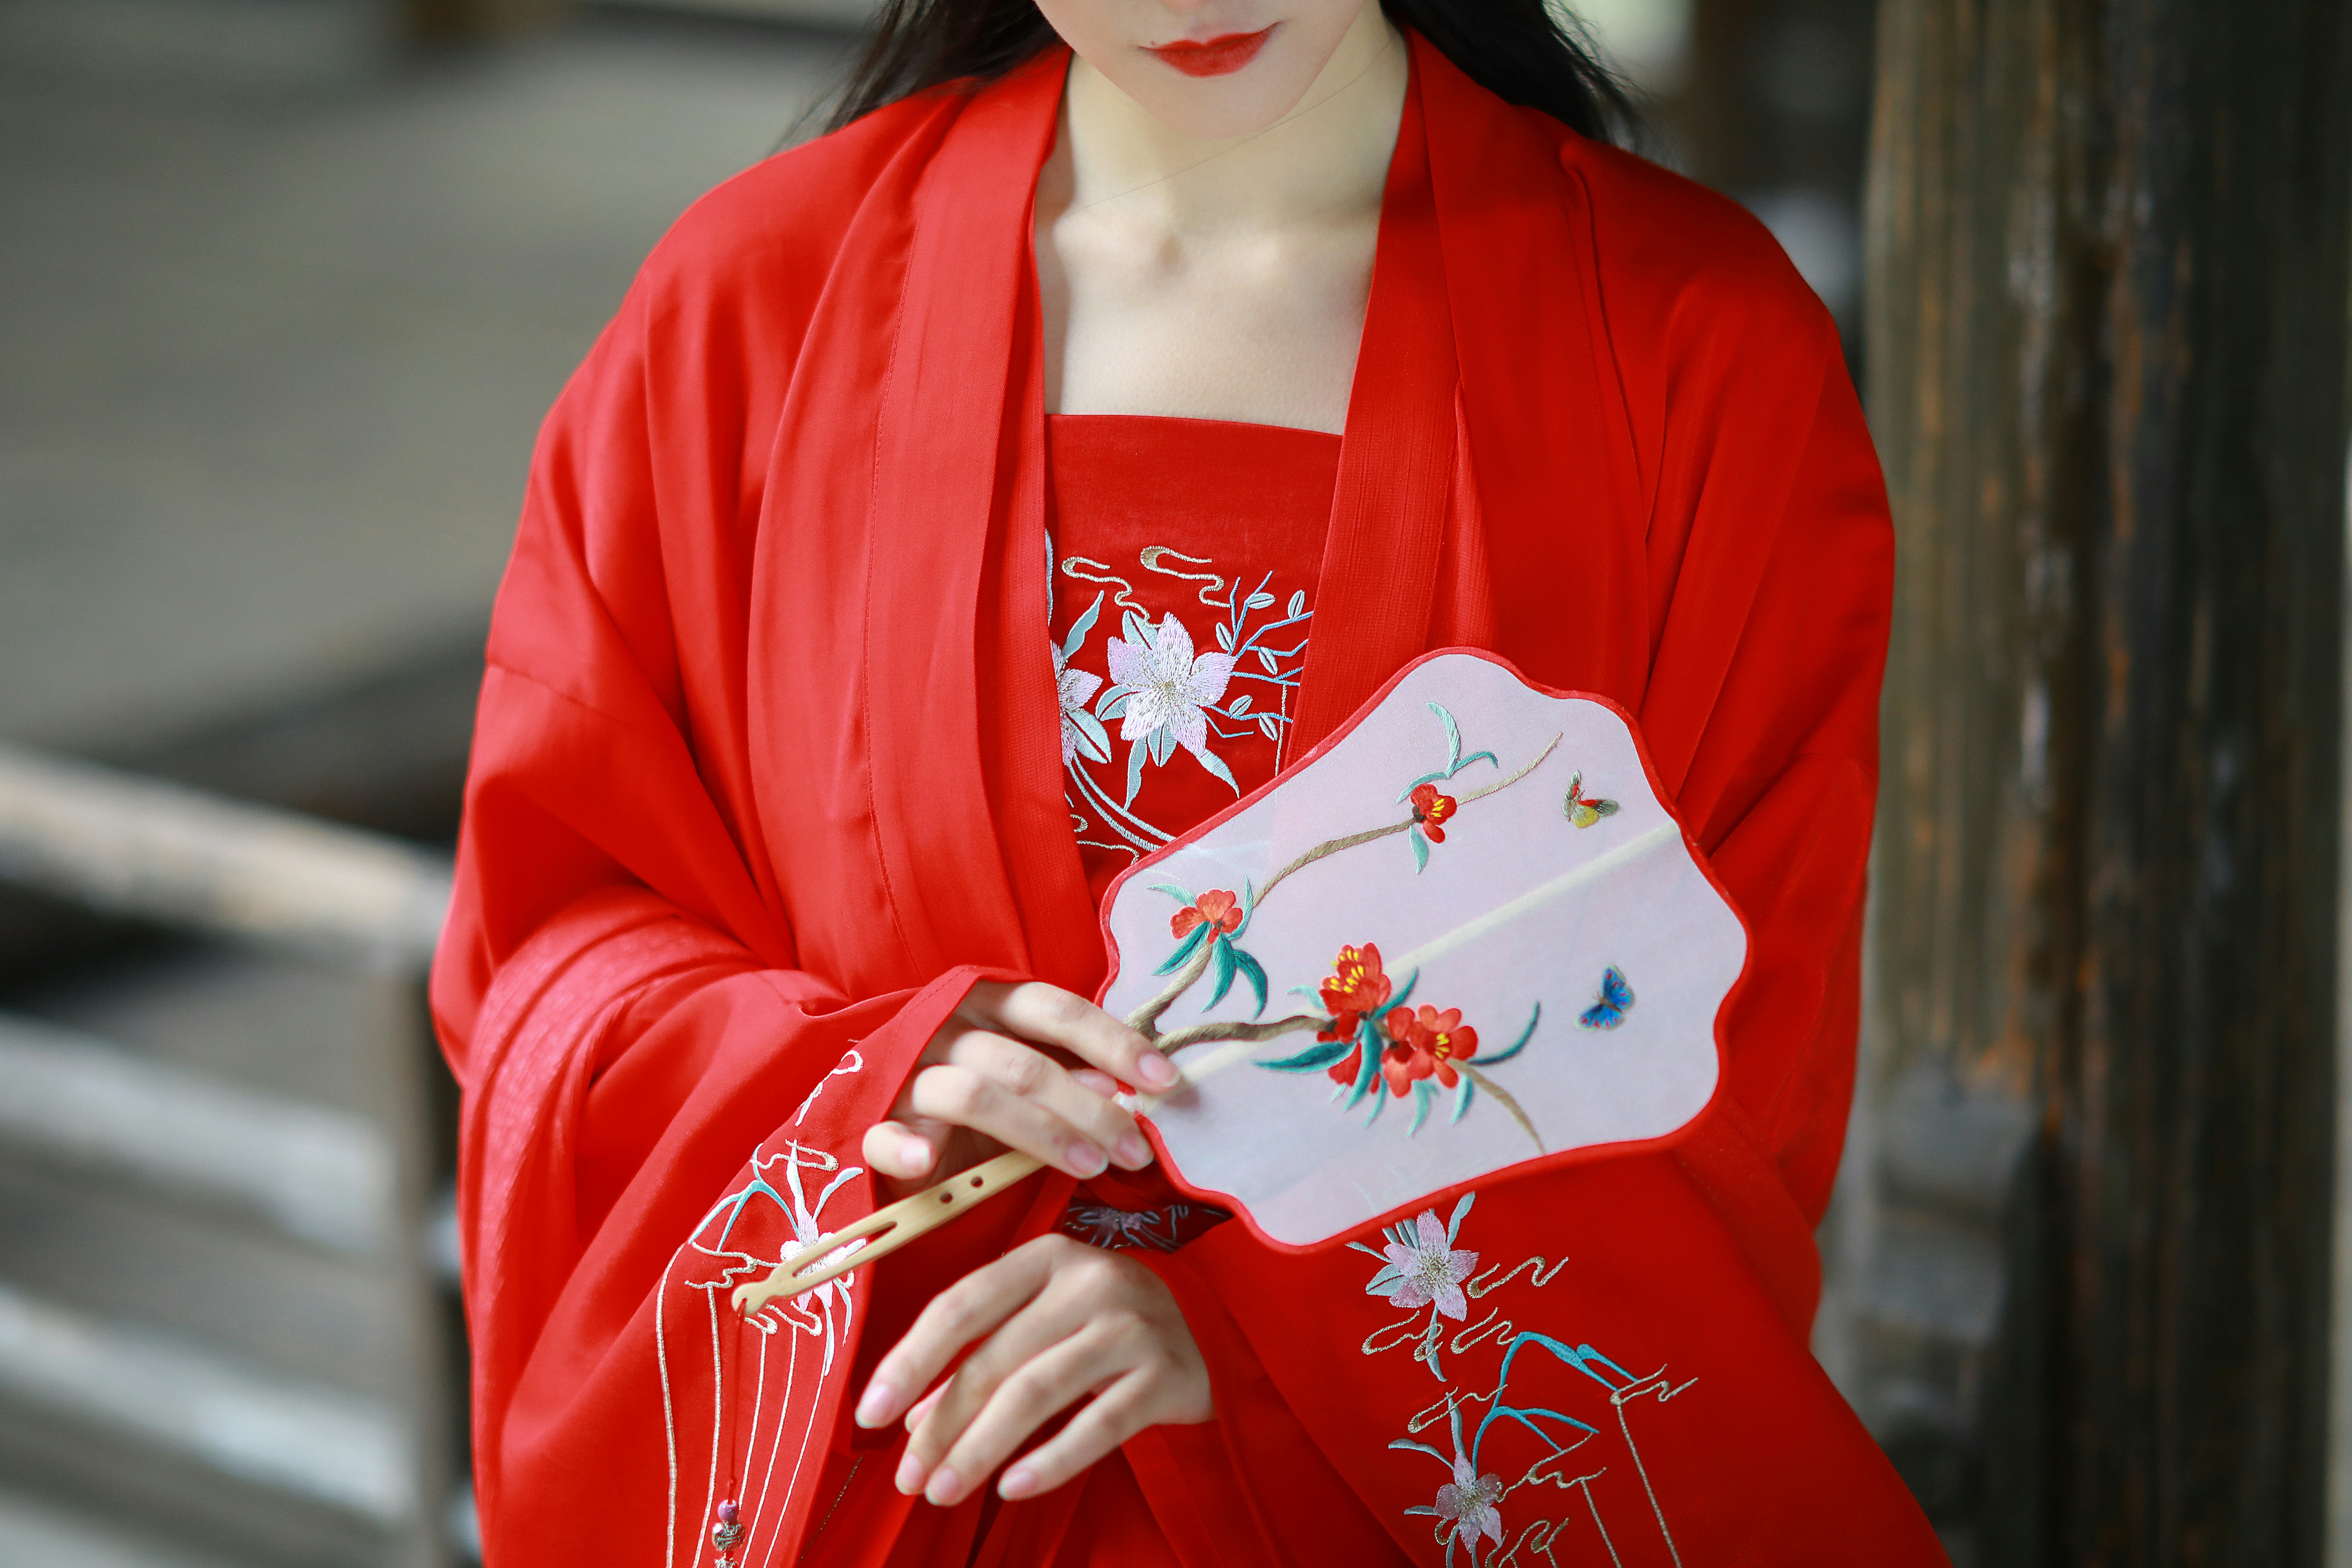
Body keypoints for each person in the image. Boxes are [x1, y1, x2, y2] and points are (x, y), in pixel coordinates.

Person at [431, 1, 1947, 1562]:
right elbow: (553, 937)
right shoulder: (748, 310)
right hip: (901, 1477)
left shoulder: (1692, 349)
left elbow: (1726, 1066)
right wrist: (858, 1081)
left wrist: (1251, 1349)